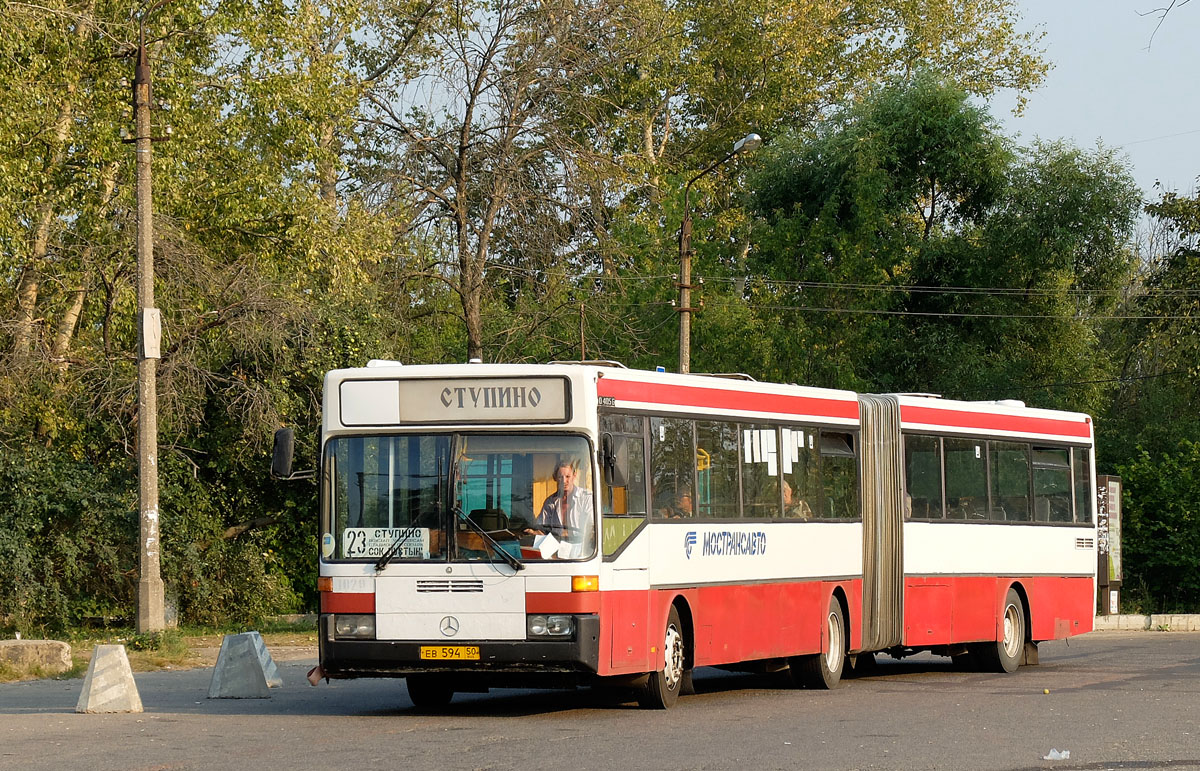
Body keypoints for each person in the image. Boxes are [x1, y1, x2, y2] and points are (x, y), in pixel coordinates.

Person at [527, 459, 594, 555]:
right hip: (555, 551)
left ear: (574, 476)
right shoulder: (550, 502)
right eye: (560, 477)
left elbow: (592, 528)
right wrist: (533, 533)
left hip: (582, 552)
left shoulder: (586, 498)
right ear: (555, 478)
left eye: (567, 476)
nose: (564, 481)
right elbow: (543, 529)